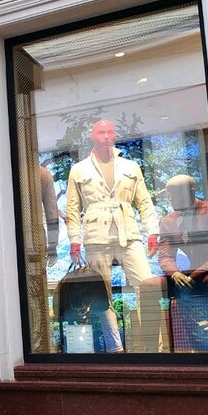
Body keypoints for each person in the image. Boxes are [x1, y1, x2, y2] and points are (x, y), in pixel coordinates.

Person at [65, 120, 159, 352]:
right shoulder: (79, 169)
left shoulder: (130, 167)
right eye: (101, 132)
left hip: (129, 233)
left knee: (148, 286)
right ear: (92, 136)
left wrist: (152, 231)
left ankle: (152, 347)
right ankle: (114, 348)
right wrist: (74, 240)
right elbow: (73, 209)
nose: (106, 136)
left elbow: (144, 202)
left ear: (115, 135)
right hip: (96, 237)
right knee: (101, 295)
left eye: (110, 132)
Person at [155, 174, 208, 349]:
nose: (170, 199)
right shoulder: (168, 221)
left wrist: (193, 275)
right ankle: (170, 343)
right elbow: (165, 255)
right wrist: (175, 273)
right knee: (156, 286)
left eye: (176, 193)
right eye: (169, 194)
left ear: (192, 192)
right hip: (190, 272)